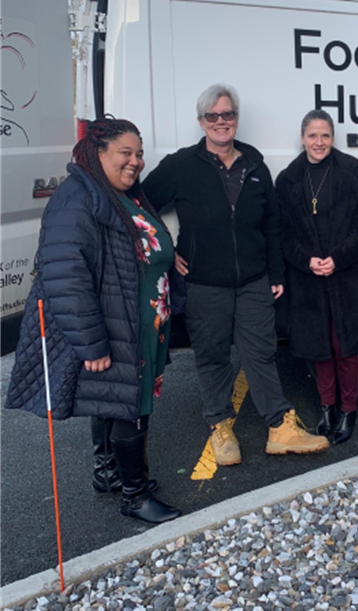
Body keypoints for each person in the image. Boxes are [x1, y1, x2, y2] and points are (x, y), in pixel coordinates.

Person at [7, 118, 181, 525]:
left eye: (139, 154)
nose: (135, 161)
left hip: (139, 323)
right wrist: (92, 344)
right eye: (126, 153)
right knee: (130, 406)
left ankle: (109, 474)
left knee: (112, 399)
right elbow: (64, 275)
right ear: (97, 152)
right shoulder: (76, 200)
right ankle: (135, 496)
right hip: (116, 325)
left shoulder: (119, 194)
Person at [141, 85, 329, 463]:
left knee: (260, 353)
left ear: (236, 119)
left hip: (254, 280)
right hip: (203, 283)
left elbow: (272, 224)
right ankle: (220, 426)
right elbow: (141, 203)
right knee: (212, 356)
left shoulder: (255, 164)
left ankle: (280, 426)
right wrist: (166, 248)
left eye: (227, 114)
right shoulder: (181, 165)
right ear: (202, 122)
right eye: (213, 116)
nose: (221, 122)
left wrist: (276, 272)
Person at [276, 110, 358, 444]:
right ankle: (327, 408)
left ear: (332, 138)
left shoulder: (351, 172)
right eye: (312, 136)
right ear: (302, 138)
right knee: (319, 347)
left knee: (344, 345)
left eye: (325, 136)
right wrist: (308, 261)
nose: (318, 142)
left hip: (348, 274)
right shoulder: (289, 179)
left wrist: (338, 258)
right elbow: (283, 233)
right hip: (308, 279)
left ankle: (349, 409)